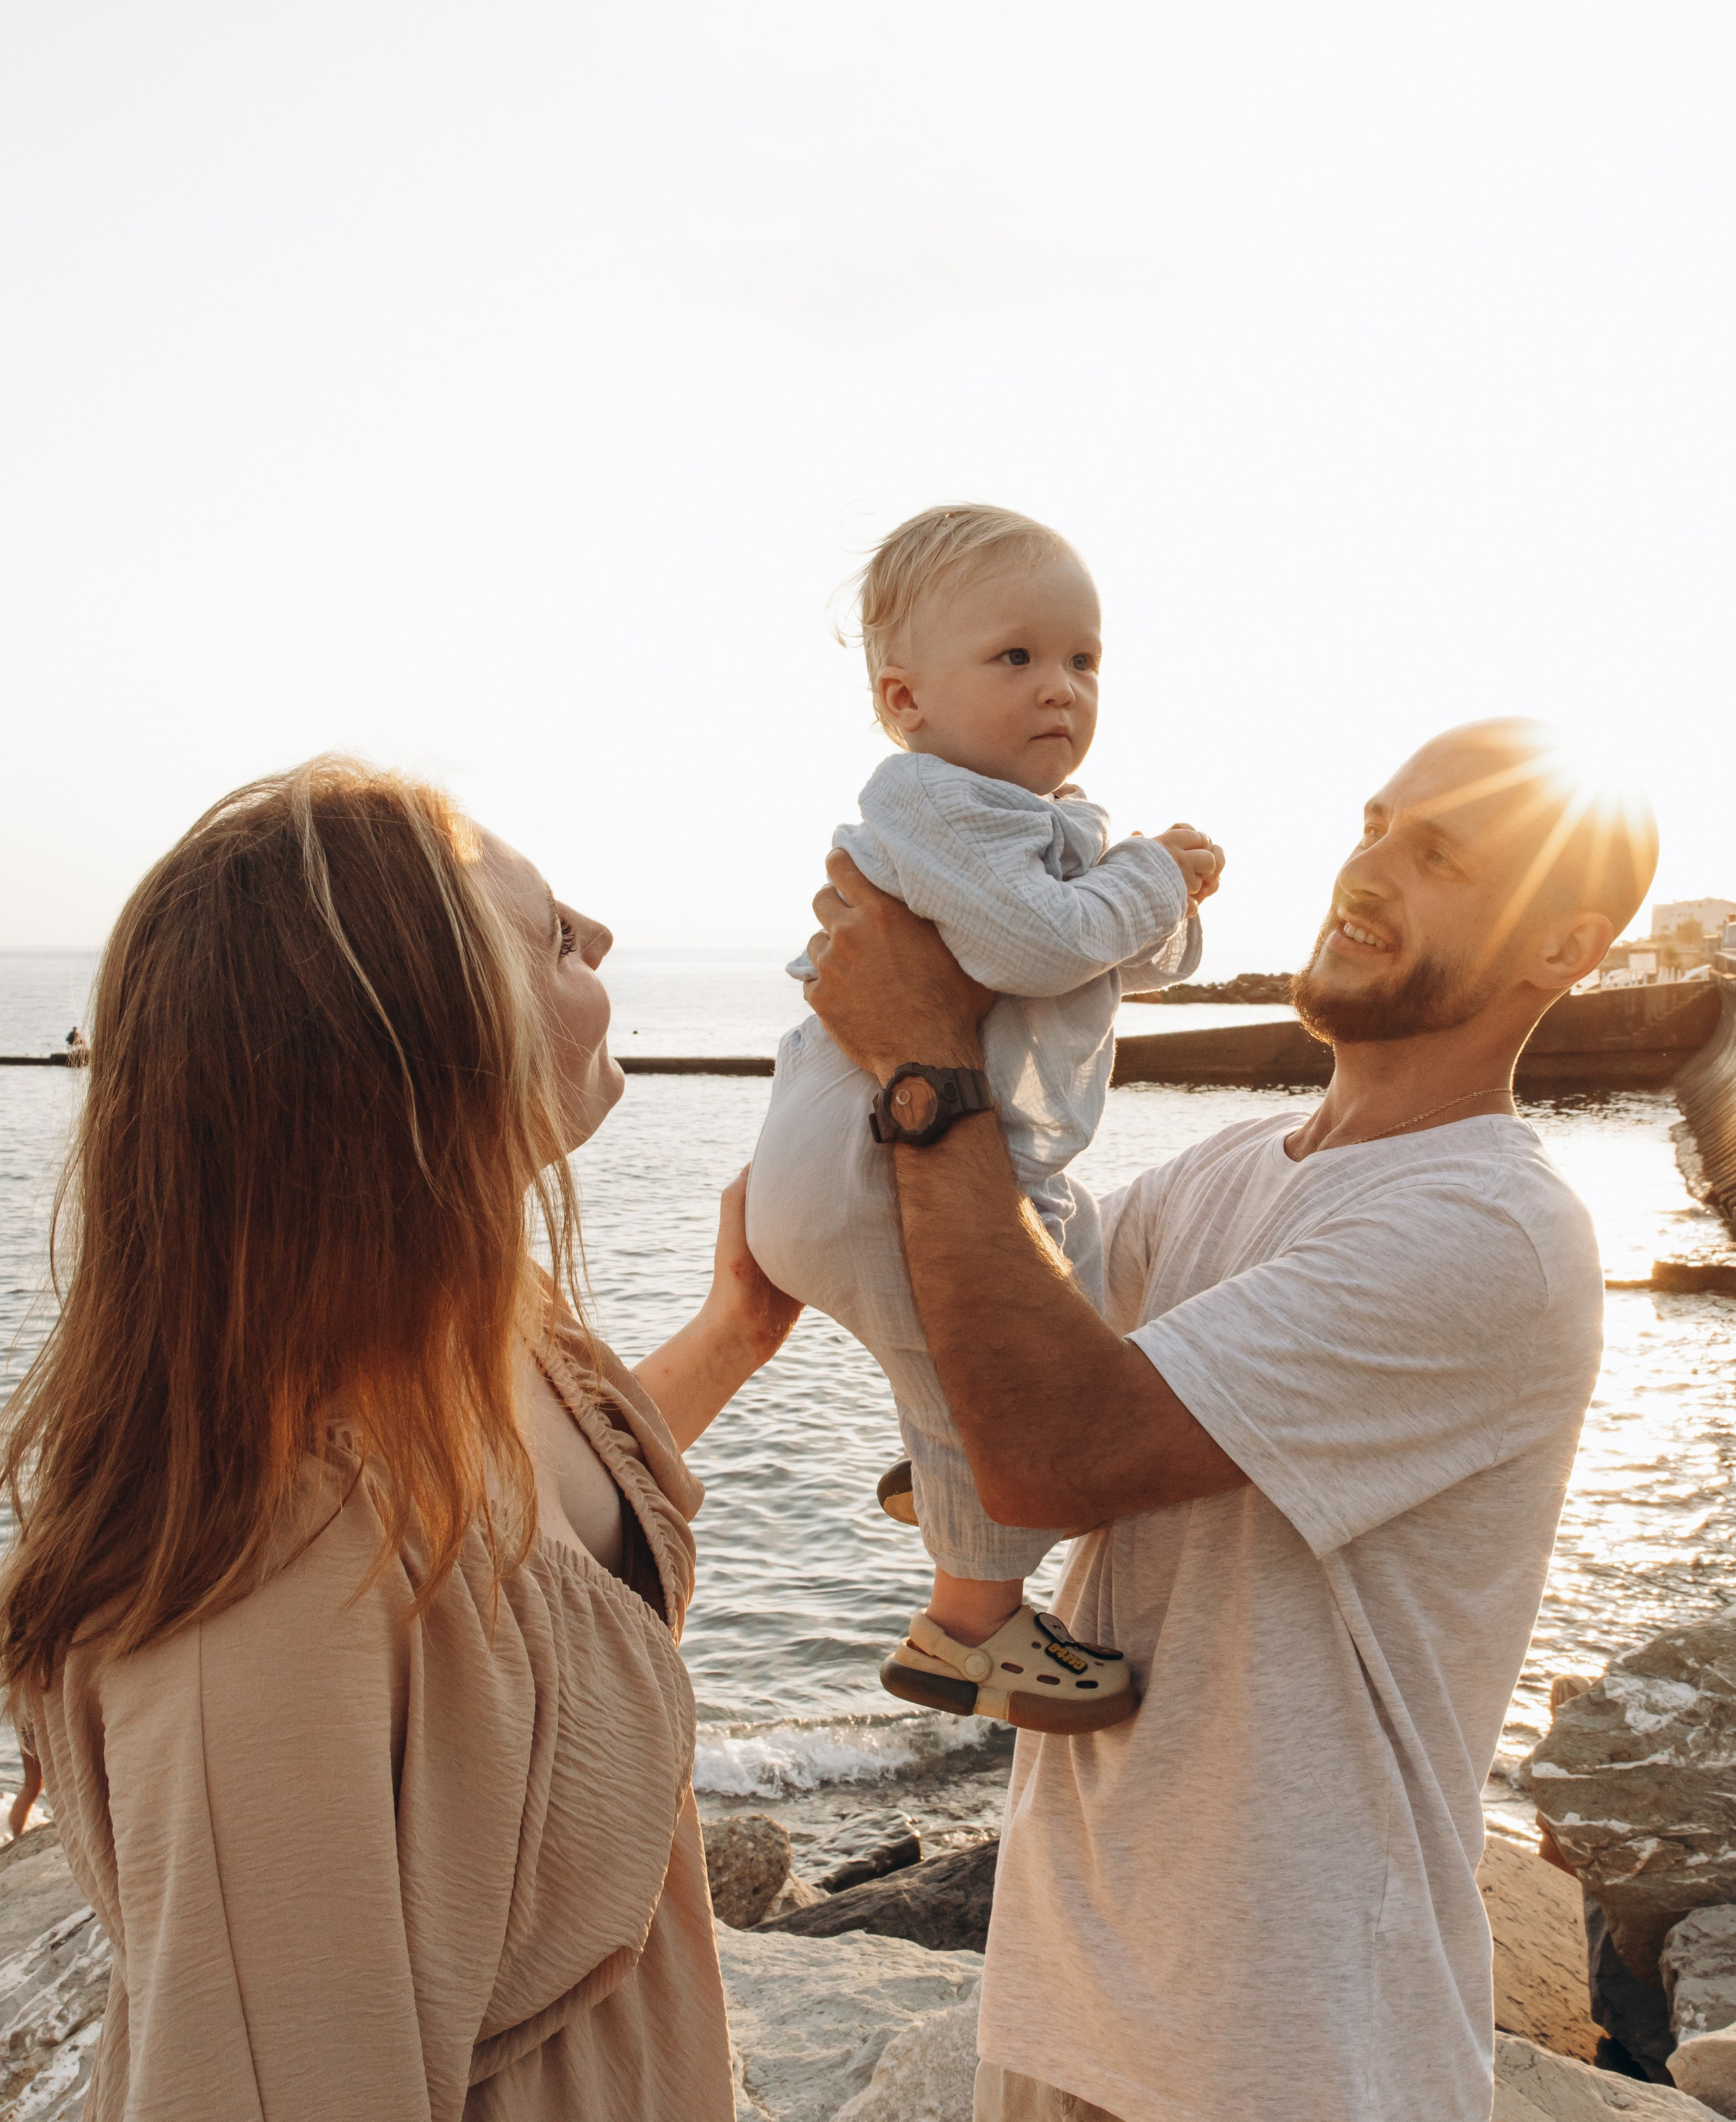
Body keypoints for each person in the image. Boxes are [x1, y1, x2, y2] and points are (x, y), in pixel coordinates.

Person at [798, 719, 1656, 2122]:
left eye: (1432, 855)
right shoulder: (1225, 1172)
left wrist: (926, 1061)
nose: (1363, 871)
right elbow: (975, 1329)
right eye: (1373, 821)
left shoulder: (1481, 1227)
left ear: (1558, 949)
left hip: (1279, 2039)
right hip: (1074, 1983)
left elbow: (1042, 1453)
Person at [0, 758, 800, 2121]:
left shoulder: (490, 1330)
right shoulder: (274, 1570)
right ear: (412, 1034)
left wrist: (736, 1324)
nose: (599, 936)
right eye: (551, 934)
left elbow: (537, 1559)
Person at [748, 503, 1223, 1732]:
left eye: (1083, 658)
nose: (1059, 687)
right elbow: (1040, 942)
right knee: (1016, 1345)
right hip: (881, 1148)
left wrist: (1161, 896)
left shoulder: (1029, 823)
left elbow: (1117, 960)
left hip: (860, 1147)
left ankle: (946, 1465)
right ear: (907, 702)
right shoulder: (933, 803)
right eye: (1015, 657)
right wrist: (1153, 875)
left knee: (1065, 1296)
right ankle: (969, 1629)